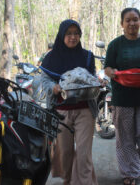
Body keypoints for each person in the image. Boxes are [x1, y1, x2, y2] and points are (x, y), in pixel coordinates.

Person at [104, 7, 140, 185]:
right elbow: (107, 68)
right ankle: (130, 173)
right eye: (128, 20)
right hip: (123, 98)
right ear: (122, 24)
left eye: (135, 19)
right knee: (125, 138)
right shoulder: (115, 44)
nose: (132, 23)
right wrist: (112, 72)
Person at [40, 19, 99, 185]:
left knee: (83, 153)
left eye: (76, 33)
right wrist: (54, 88)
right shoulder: (51, 58)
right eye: (69, 33)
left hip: (85, 110)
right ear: (61, 35)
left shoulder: (87, 56)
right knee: (64, 152)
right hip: (61, 111)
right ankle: (68, 180)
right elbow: (44, 80)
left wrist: (96, 82)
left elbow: (91, 77)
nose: (73, 37)